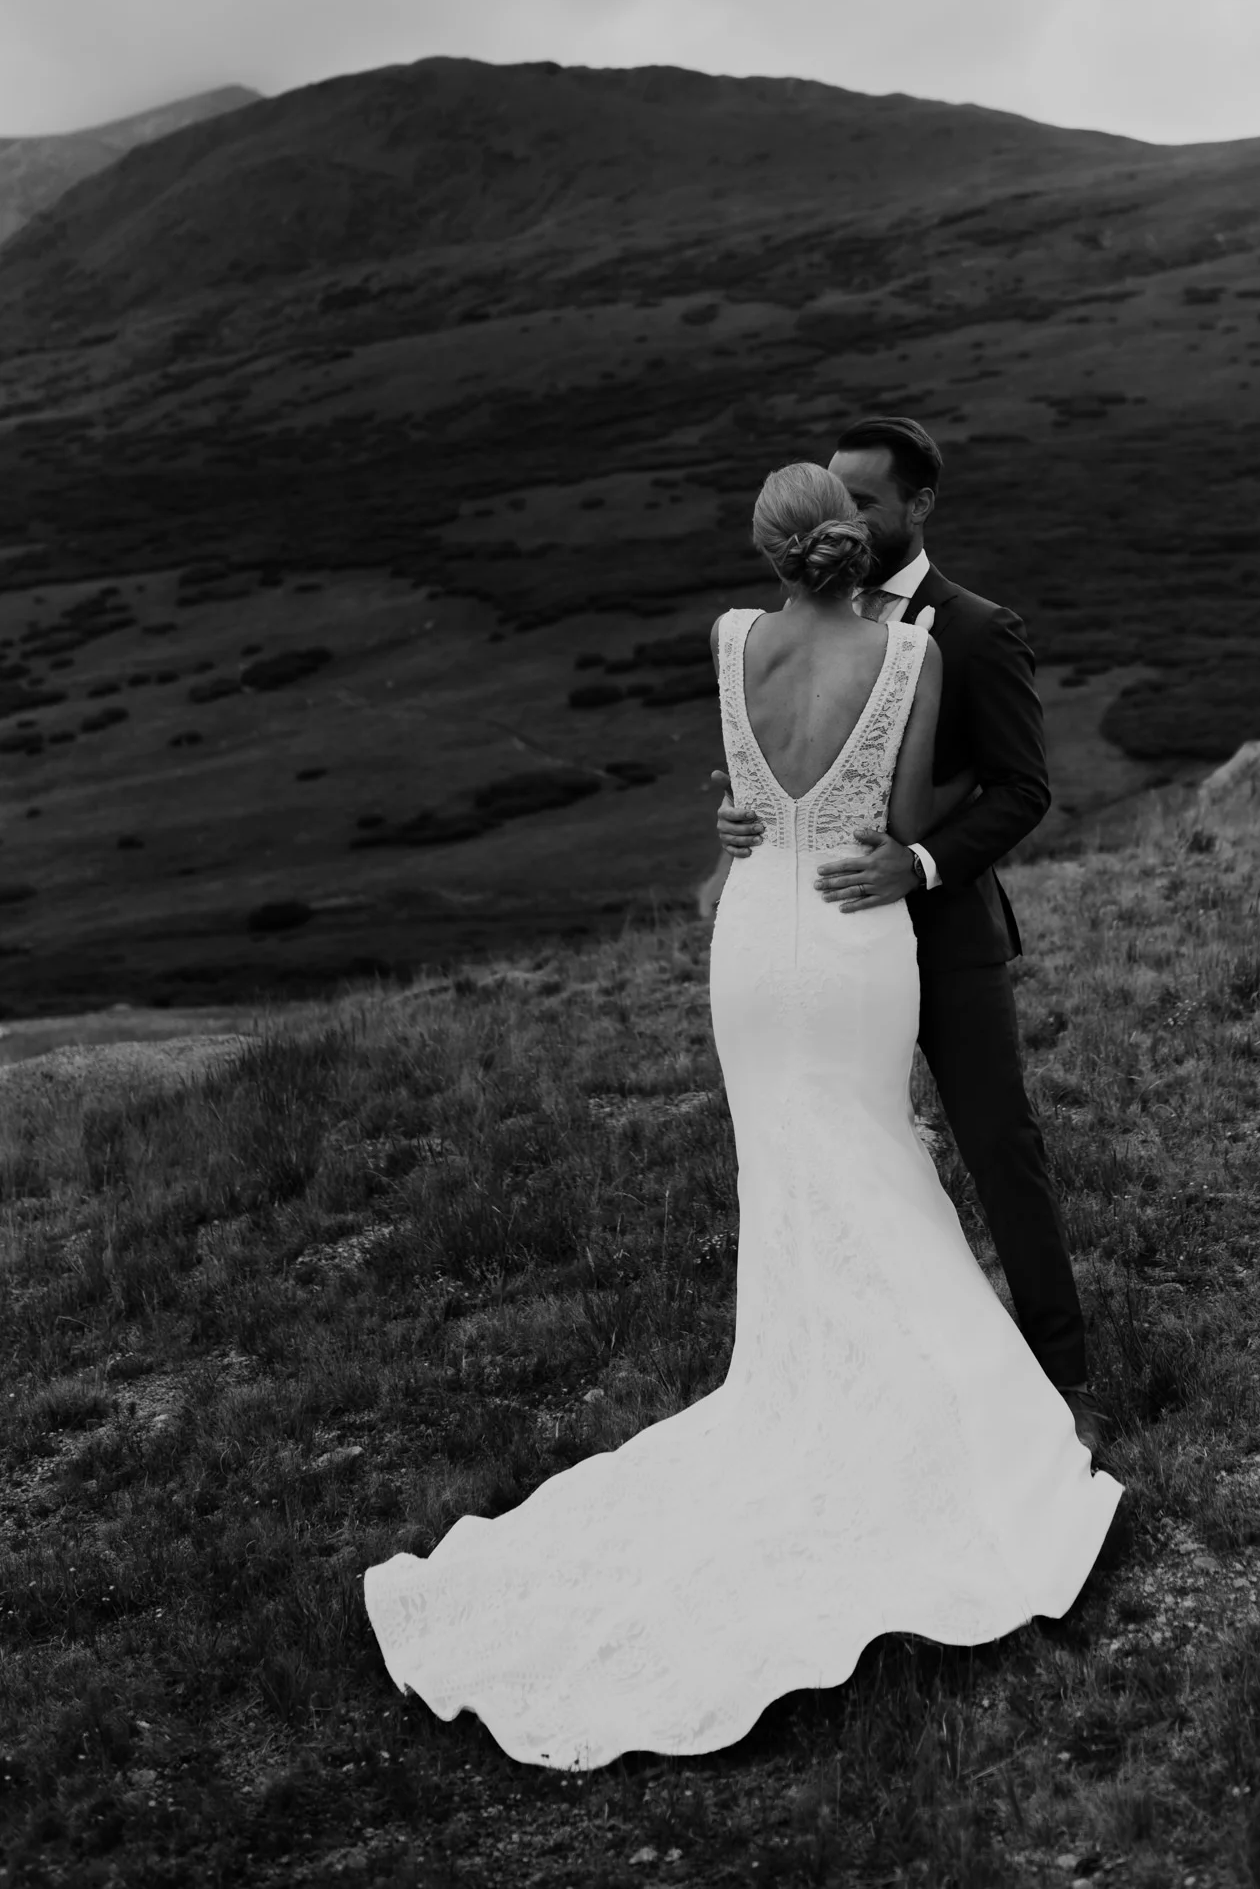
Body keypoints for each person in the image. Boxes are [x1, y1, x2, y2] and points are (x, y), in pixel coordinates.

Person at [363, 461, 1120, 1770]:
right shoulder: (911, 655)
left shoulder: (728, 643)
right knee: (876, 1162)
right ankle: (939, 1414)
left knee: (794, 1179)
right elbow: (881, 818)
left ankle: (817, 1387)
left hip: (754, 942)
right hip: (850, 930)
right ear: (850, 537)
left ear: (770, 554)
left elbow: (749, 808)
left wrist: (748, 815)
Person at [715, 416, 1104, 1454]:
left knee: (996, 1145)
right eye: (836, 498)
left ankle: (1063, 1372)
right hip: (830, 946)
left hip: (943, 933)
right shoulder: (786, 634)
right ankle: (863, 1369)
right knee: (848, 1151)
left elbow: (1023, 789)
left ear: (918, 506)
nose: (848, 515)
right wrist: (749, 809)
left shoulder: (974, 629)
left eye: (867, 502)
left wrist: (919, 862)